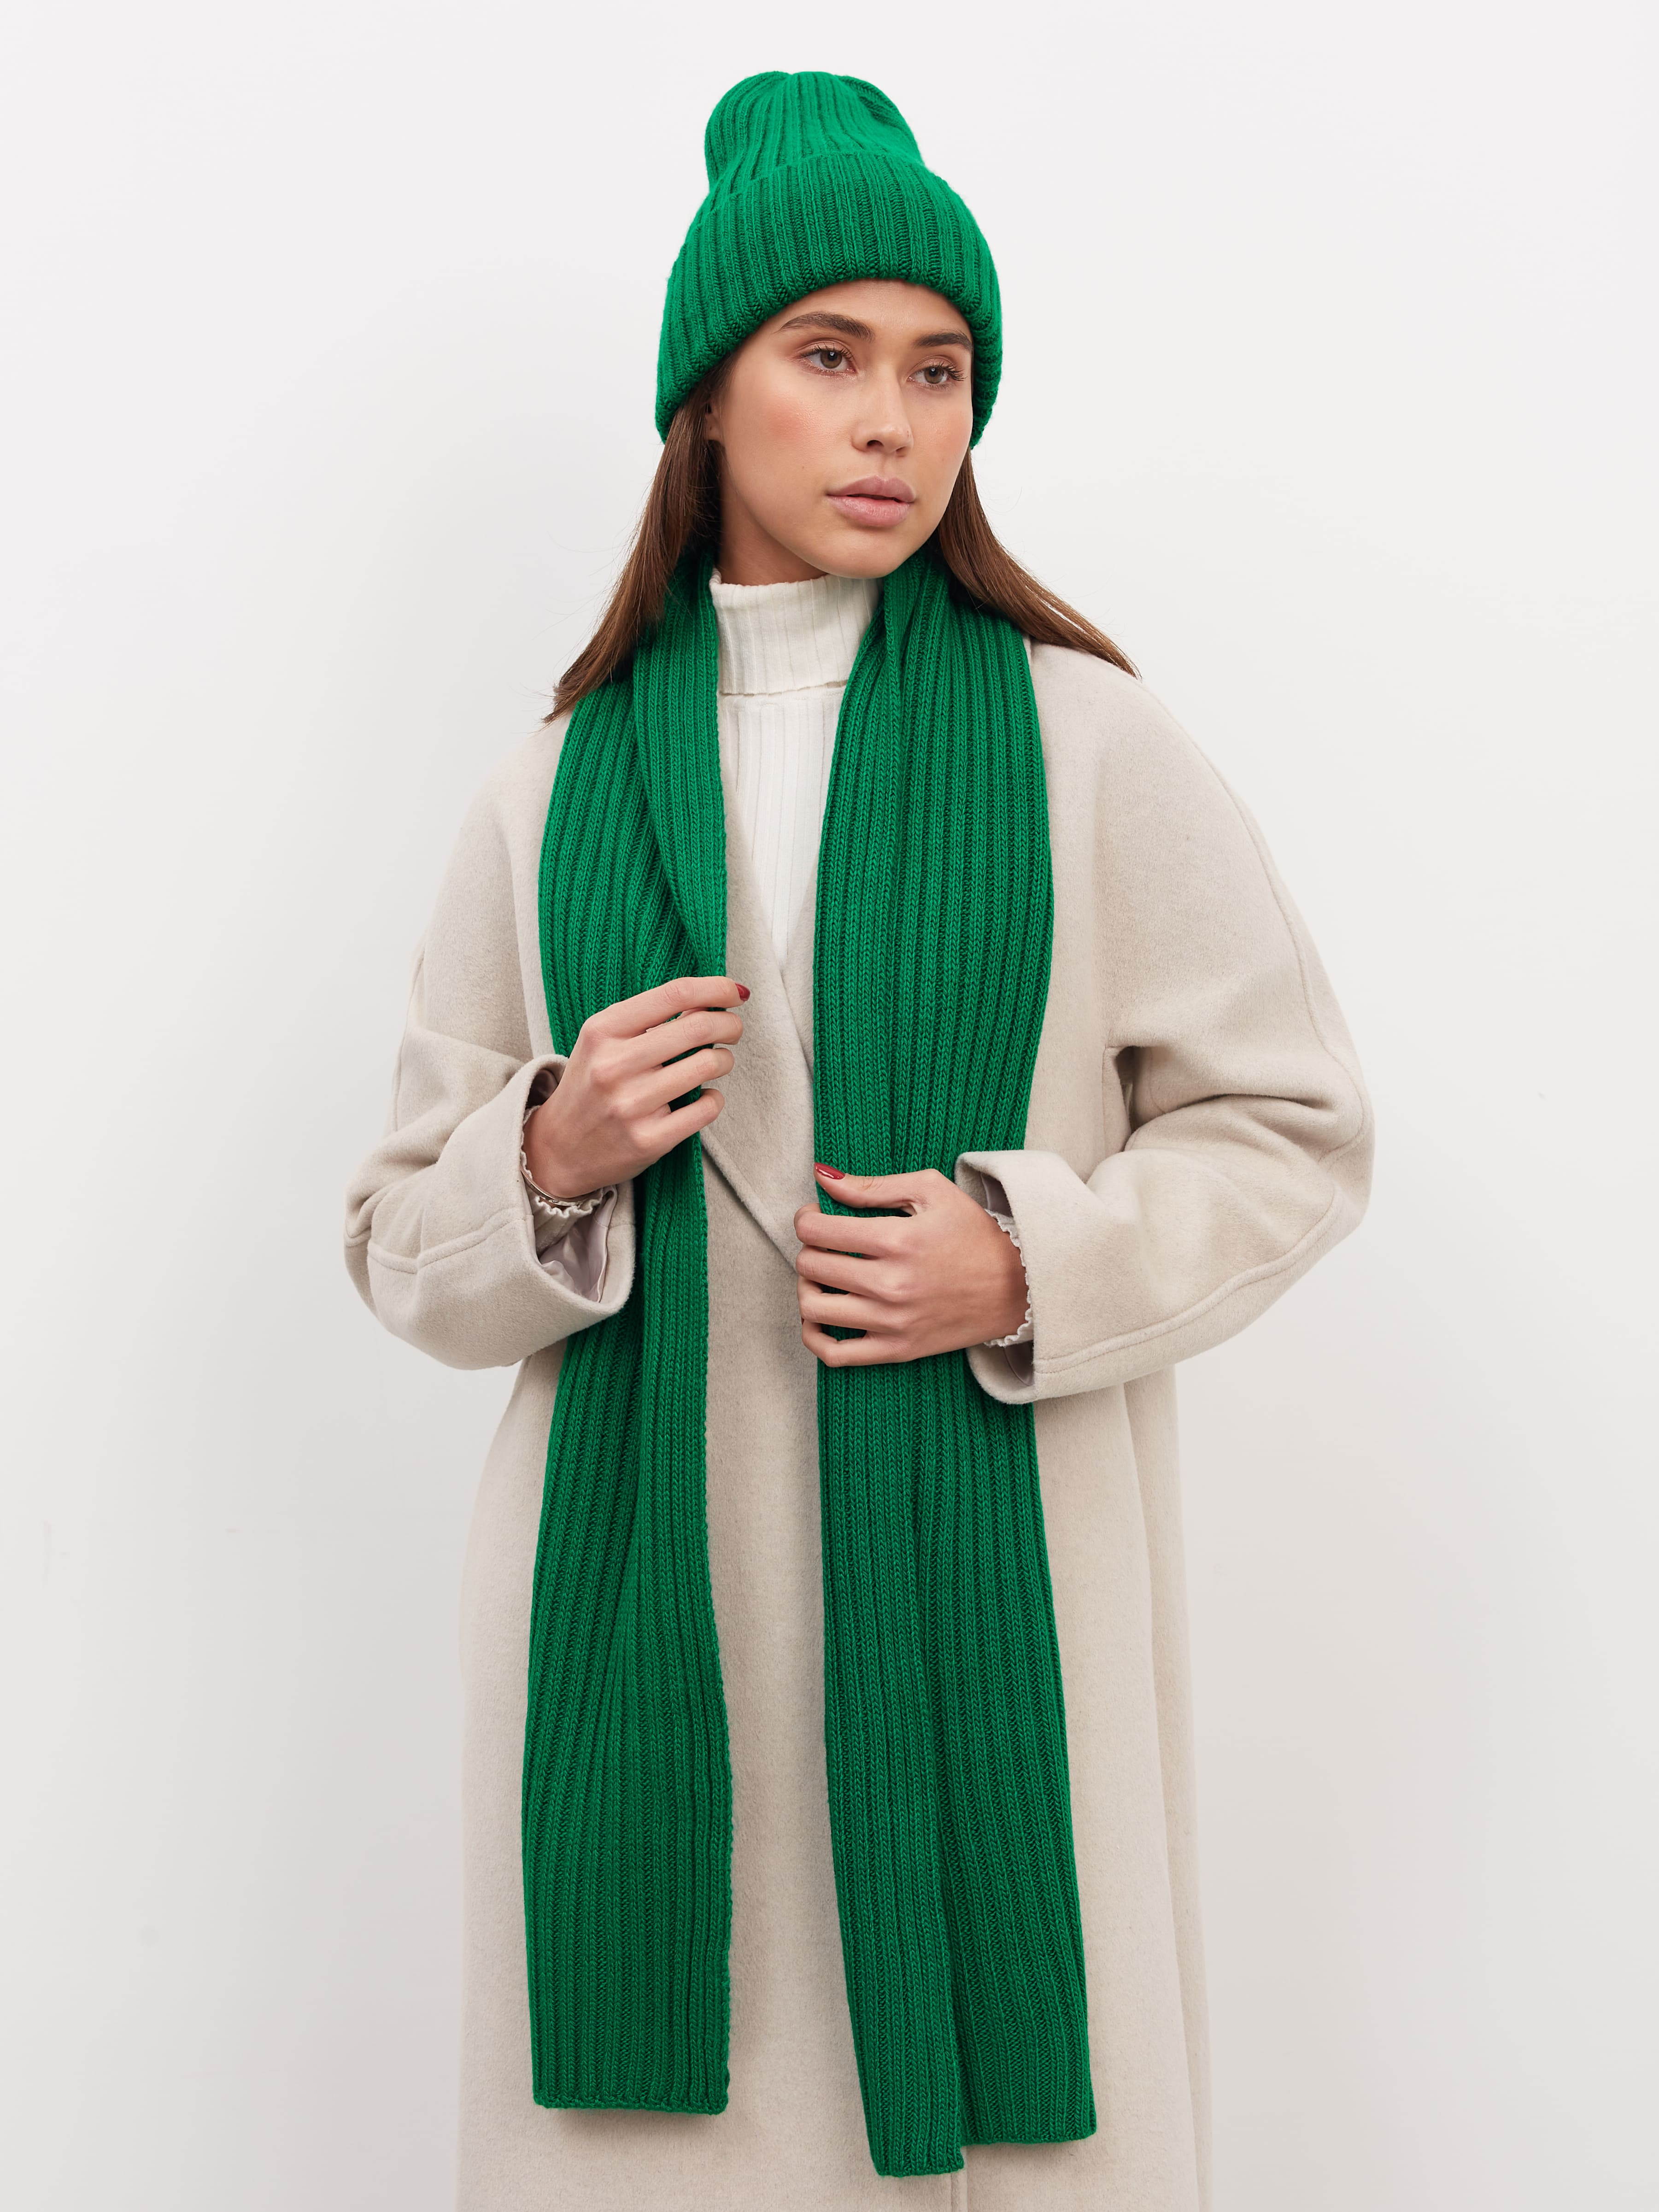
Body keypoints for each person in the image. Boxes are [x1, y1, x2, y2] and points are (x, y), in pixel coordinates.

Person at [344, 67, 1374, 2212]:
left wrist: (1031, 1258)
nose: (893, 422)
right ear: (707, 400)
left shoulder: (1088, 741)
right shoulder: (551, 788)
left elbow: (1292, 1128)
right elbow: (394, 1237)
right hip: (657, 1651)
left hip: (999, 1629)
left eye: (939, 369)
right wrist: (550, 1149)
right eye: (828, 357)